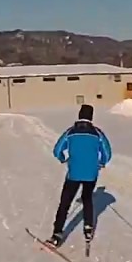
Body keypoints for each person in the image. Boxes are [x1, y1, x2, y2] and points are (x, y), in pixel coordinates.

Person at [49, 104, 112, 245]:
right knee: (87, 198)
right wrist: (101, 163)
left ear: (79, 115)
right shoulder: (97, 133)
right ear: (91, 117)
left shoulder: (70, 132)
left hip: (74, 173)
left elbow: (57, 150)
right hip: (91, 174)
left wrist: (62, 158)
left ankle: (57, 233)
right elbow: (107, 153)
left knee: (65, 202)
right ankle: (88, 228)